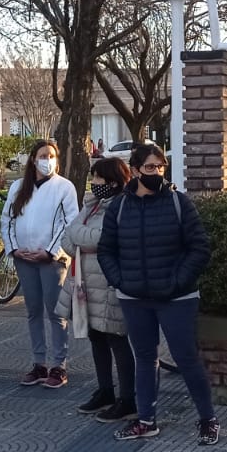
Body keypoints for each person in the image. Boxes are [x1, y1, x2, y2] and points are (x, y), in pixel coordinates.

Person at [96, 143, 218, 445]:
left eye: (161, 167)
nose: (157, 172)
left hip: (177, 298)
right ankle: (145, 420)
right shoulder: (119, 207)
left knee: (186, 357)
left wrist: (178, 281)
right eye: (150, 167)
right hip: (134, 297)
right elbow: (106, 250)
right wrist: (120, 281)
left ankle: (208, 419)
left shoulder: (178, 202)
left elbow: (199, 247)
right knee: (145, 358)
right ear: (135, 170)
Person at [63, 156, 136, 422]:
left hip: (108, 283)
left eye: (98, 178)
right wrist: (82, 239)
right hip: (86, 282)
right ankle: (105, 390)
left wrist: (81, 238)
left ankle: (128, 398)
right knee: (96, 337)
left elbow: (101, 238)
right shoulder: (92, 205)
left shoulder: (122, 206)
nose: (93, 183)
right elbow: (67, 239)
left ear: (114, 182)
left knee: (116, 338)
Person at [4, 138, 79, 388]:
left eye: (51, 156)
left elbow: (69, 222)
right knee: (33, 311)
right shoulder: (18, 187)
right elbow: (7, 219)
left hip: (52, 261)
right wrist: (14, 248)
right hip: (24, 259)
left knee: (56, 312)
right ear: (33, 160)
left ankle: (59, 365)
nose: (47, 160)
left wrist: (50, 252)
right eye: (43, 156)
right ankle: (39, 363)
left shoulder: (64, 187)